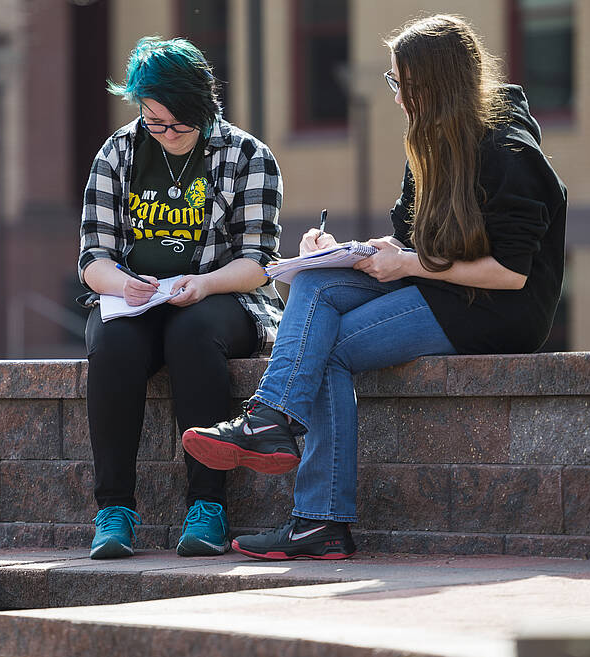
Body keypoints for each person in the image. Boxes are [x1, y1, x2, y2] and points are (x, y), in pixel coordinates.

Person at [182, 14, 567, 561]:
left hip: (495, 307)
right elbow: (409, 240)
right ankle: (274, 426)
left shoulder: (510, 153)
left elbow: (511, 272)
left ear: (436, 83)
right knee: (315, 279)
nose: (396, 96)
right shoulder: (432, 140)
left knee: (327, 352)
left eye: (402, 84)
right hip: (442, 287)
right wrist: (345, 250)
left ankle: (314, 511)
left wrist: (408, 264)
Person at [78, 36, 284, 559]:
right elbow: (92, 259)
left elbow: (259, 263)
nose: (167, 134)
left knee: (193, 333)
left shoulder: (247, 155)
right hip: (137, 298)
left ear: (205, 108)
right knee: (111, 344)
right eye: (155, 123)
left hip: (222, 297)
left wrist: (206, 284)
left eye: (179, 125)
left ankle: (207, 505)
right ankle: (114, 510)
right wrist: (122, 284)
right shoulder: (119, 151)